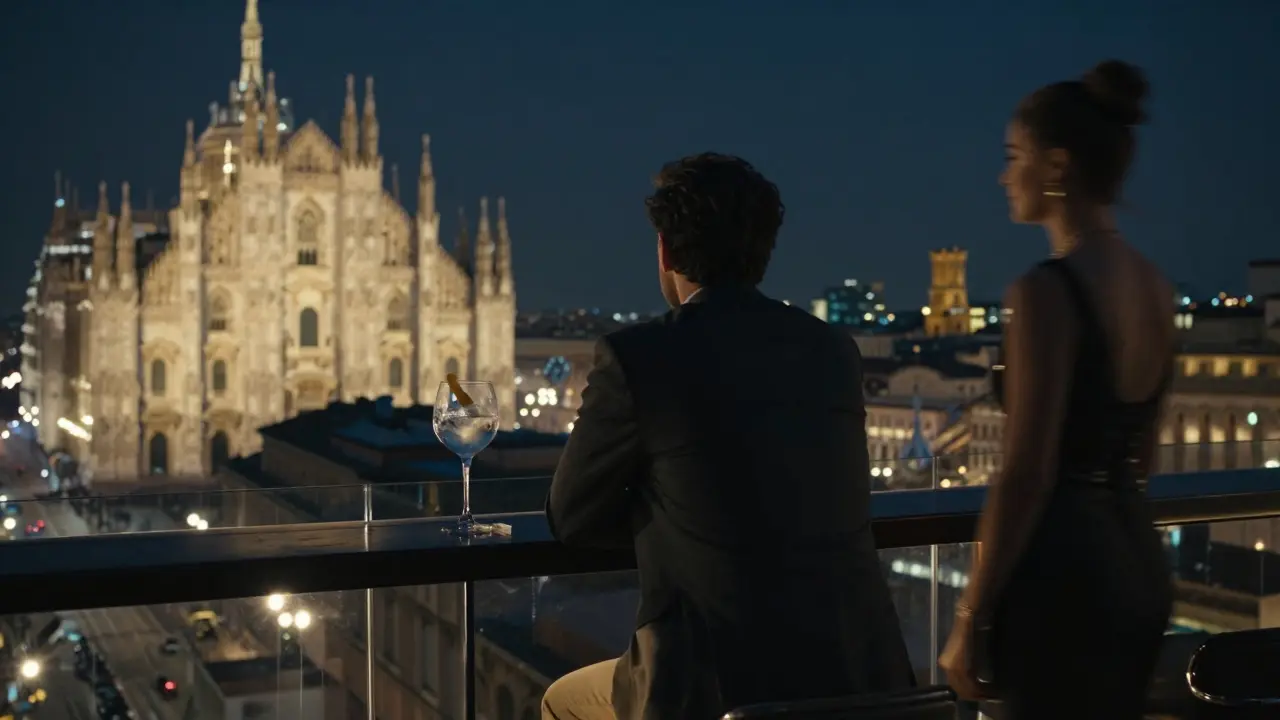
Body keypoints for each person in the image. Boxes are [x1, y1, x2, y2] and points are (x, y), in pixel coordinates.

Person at [543, 153, 916, 720]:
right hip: (858, 675)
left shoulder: (637, 357)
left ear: (666, 251)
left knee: (562, 701)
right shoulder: (832, 350)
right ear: (763, 253)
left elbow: (571, 518)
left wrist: (671, 508)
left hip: (715, 685)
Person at [939, 60, 1174, 719]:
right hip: (1136, 563)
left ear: (1057, 166)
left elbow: (1026, 472)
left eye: (1015, 155)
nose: (1003, 174)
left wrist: (970, 616)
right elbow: (1143, 459)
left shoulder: (1045, 293)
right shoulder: (1156, 288)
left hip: (1061, 572)